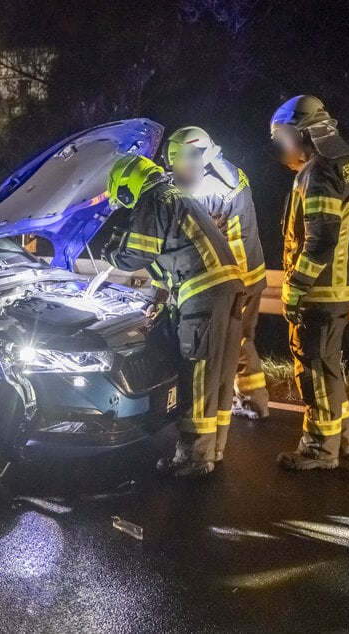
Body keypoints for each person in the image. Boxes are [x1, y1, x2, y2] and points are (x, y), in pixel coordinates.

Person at [103, 155, 244, 477]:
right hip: (227, 288)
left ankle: (194, 458)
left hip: (203, 293)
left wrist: (110, 250)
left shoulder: (153, 200)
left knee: (195, 373)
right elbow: (169, 258)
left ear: (127, 186)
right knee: (217, 377)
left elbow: (136, 254)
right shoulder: (177, 195)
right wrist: (161, 299)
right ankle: (213, 449)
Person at [269, 95, 349, 470]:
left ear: (300, 133)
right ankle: (340, 438)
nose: (281, 148)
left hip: (319, 292)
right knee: (328, 368)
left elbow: (320, 240)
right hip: (339, 288)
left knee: (314, 371)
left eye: (282, 137)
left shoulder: (318, 172)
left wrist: (295, 288)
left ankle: (318, 449)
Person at [163, 126, 270, 420]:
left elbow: (191, 236)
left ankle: (228, 405)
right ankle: (254, 399)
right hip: (252, 273)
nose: (177, 169)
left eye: (181, 162)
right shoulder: (228, 171)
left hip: (234, 279)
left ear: (198, 156)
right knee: (242, 338)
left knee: (226, 344)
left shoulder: (206, 190)